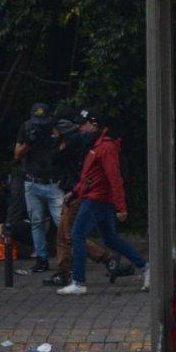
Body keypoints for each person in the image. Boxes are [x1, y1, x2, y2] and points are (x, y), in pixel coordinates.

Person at [56, 110, 149, 295]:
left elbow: (114, 178)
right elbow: (91, 176)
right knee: (110, 239)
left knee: (77, 236)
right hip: (99, 198)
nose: (80, 128)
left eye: (83, 124)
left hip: (96, 199)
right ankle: (146, 267)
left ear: (94, 124)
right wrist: (74, 192)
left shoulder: (105, 147)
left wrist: (121, 207)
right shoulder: (98, 144)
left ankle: (79, 282)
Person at [43, 104, 116, 287]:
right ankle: (66, 272)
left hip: (76, 191)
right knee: (65, 234)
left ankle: (101, 262)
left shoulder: (75, 140)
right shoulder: (80, 139)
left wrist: (56, 139)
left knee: (70, 234)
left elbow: (55, 157)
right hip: (74, 190)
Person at [14, 102, 64, 273]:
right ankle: (41, 258)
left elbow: (65, 151)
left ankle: (68, 259)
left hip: (52, 182)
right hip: (32, 181)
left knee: (62, 222)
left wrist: (55, 138)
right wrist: (30, 141)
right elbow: (17, 154)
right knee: (37, 222)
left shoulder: (55, 129)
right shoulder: (27, 127)